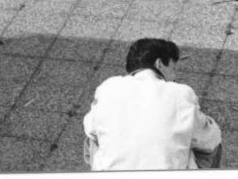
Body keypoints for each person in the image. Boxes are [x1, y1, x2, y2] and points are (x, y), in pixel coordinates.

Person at [82, 38, 222, 170]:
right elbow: (210, 139)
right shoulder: (180, 92)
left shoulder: (108, 87)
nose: (174, 76)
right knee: (207, 141)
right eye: (173, 69)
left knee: (92, 139)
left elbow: (90, 128)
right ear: (159, 64)